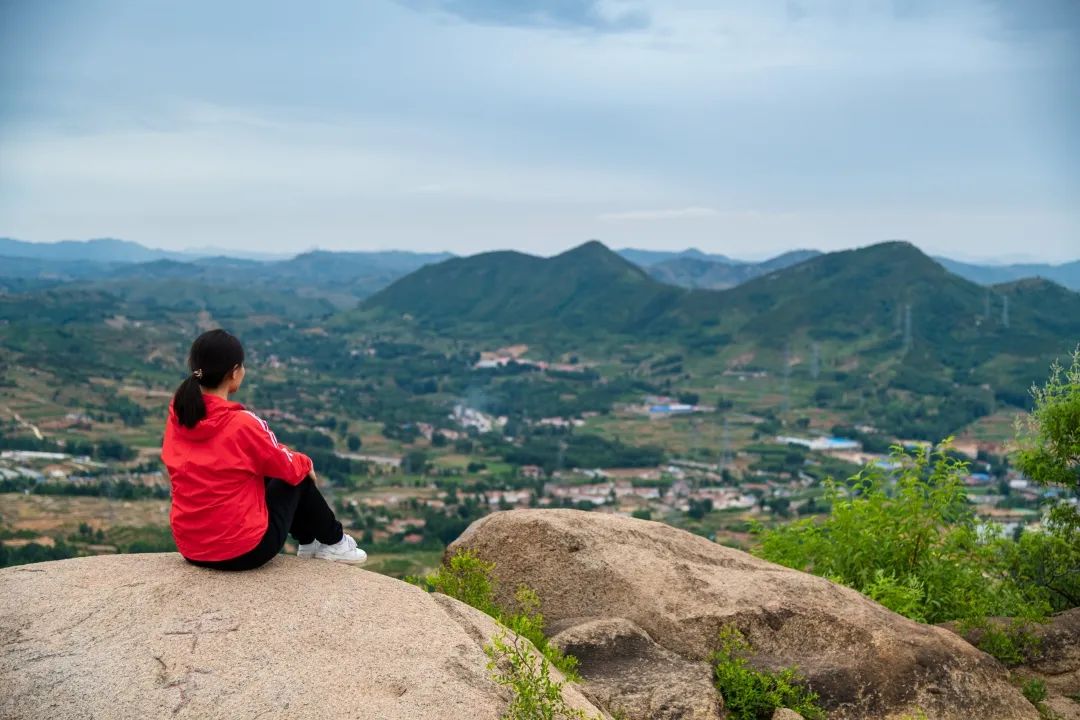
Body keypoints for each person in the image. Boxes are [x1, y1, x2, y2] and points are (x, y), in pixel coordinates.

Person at [161, 328, 366, 570]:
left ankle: (310, 543)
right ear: (235, 372)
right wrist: (306, 462)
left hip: (192, 548)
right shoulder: (241, 423)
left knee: (272, 470)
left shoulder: (180, 414)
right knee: (296, 476)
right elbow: (287, 466)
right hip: (243, 551)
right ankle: (335, 542)